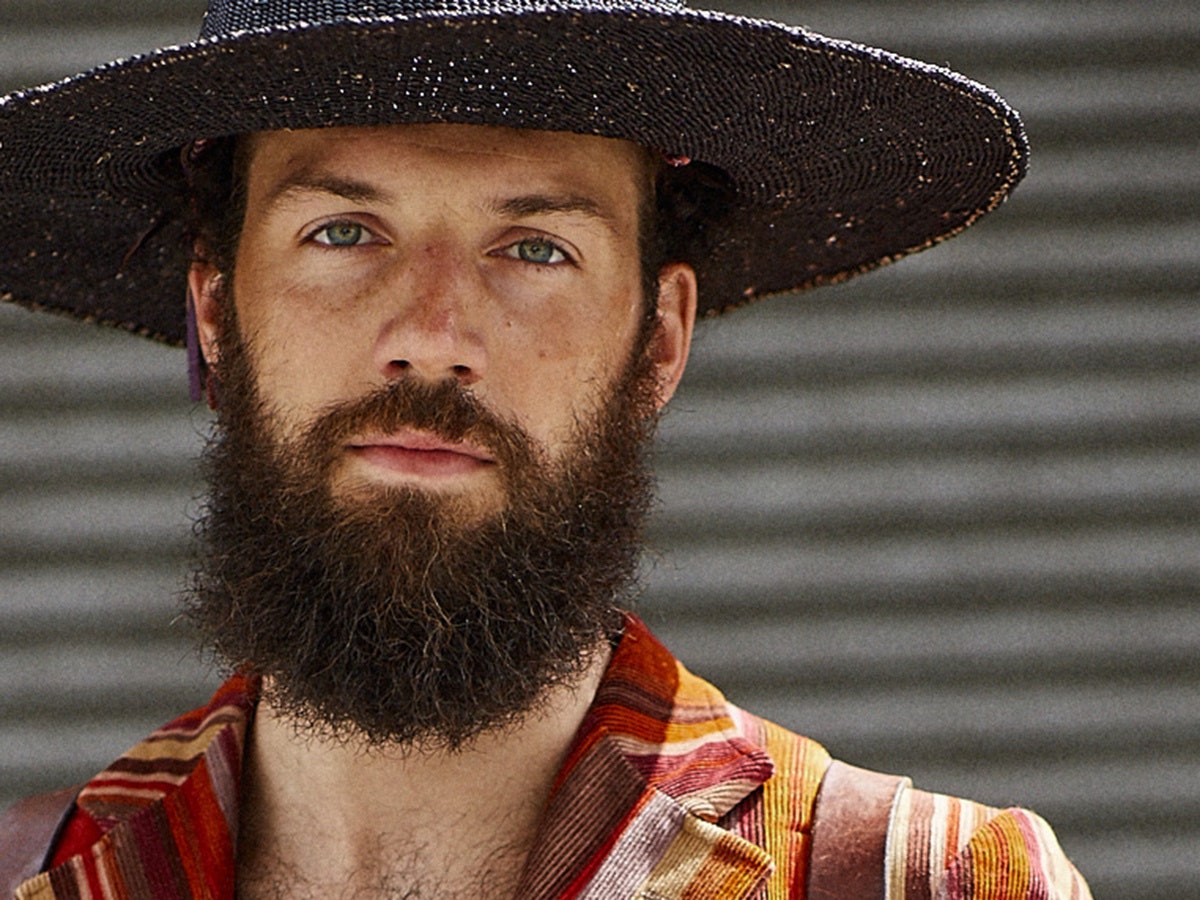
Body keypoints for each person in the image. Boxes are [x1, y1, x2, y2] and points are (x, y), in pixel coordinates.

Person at [0, 0, 1092, 897]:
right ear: (215, 311)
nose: (431, 335)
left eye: (534, 247)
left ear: (658, 339)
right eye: (342, 232)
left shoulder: (930, 884)